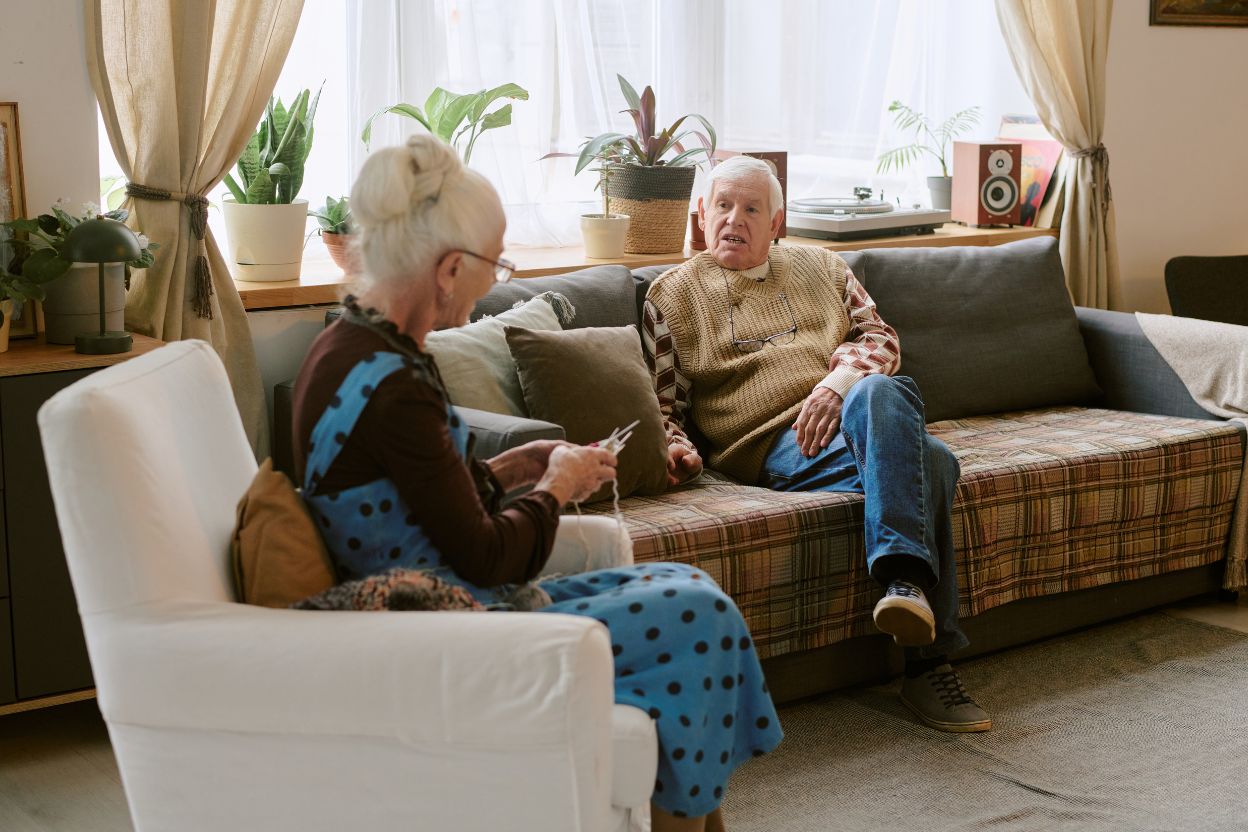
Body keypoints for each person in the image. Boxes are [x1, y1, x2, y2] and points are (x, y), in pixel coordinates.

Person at [291, 134, 782, 831]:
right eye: (495, 263)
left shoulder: (355, 346)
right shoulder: (394, 385)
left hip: (443, 596)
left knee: (694, 590)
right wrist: (555, 487)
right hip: (448, 628)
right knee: (697, 620)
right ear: (449, 268)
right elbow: (488, 556)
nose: (496, 280)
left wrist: (511, 470)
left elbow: (409, 502)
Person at [642, 156, 990, 733]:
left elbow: (878, 337)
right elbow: (664, 406)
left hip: (853, 414)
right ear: (701, 216)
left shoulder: (823, 266)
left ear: (776, 222)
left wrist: (835, 384)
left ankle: (905, 584)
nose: (735, 219)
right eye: (723, 205)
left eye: (752, 208)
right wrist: (677, 449)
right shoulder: (672, 296)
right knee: (932, 461)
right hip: (772, 444)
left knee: (885, 398)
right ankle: (929, 664)